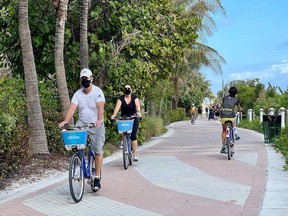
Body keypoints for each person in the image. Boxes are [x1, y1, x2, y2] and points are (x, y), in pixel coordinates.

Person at [59, 68, 105, 190]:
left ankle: (96, 177)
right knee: (77, 145)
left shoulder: (97, 91)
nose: (85, 80)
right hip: (82, 123)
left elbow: (100, 107)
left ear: (91, 79)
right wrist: (65, 121)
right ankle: (78, 162)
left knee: (98, 149)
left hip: (95, 125)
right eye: (83, 79)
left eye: (87, 78)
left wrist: (99, 120)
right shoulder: (77, 94)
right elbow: (72, 108)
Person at [111, 84, 142, 162]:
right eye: (126, 88)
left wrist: (138, 112)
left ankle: (135, 155)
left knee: (133, 136)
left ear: (131, 89)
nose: (127, 89)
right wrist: (114, 115)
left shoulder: (134, 97)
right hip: (124, 117)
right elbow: (117, 107)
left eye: (129, 88)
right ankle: (124, 142)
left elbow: (137, 106)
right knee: (123, 130)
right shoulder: (121, 98)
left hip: (133, 117)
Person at [219, 86, 241, 153]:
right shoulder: (236, 99)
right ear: (236, 93)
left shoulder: (225, 98)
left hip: (223, 115)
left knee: (224, 131)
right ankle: (235, 133)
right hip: (231, 115)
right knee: (233, 120)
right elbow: (239, 108)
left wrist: (218, 110)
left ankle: (223, 146)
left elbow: (221, 106)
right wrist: (240, 110)